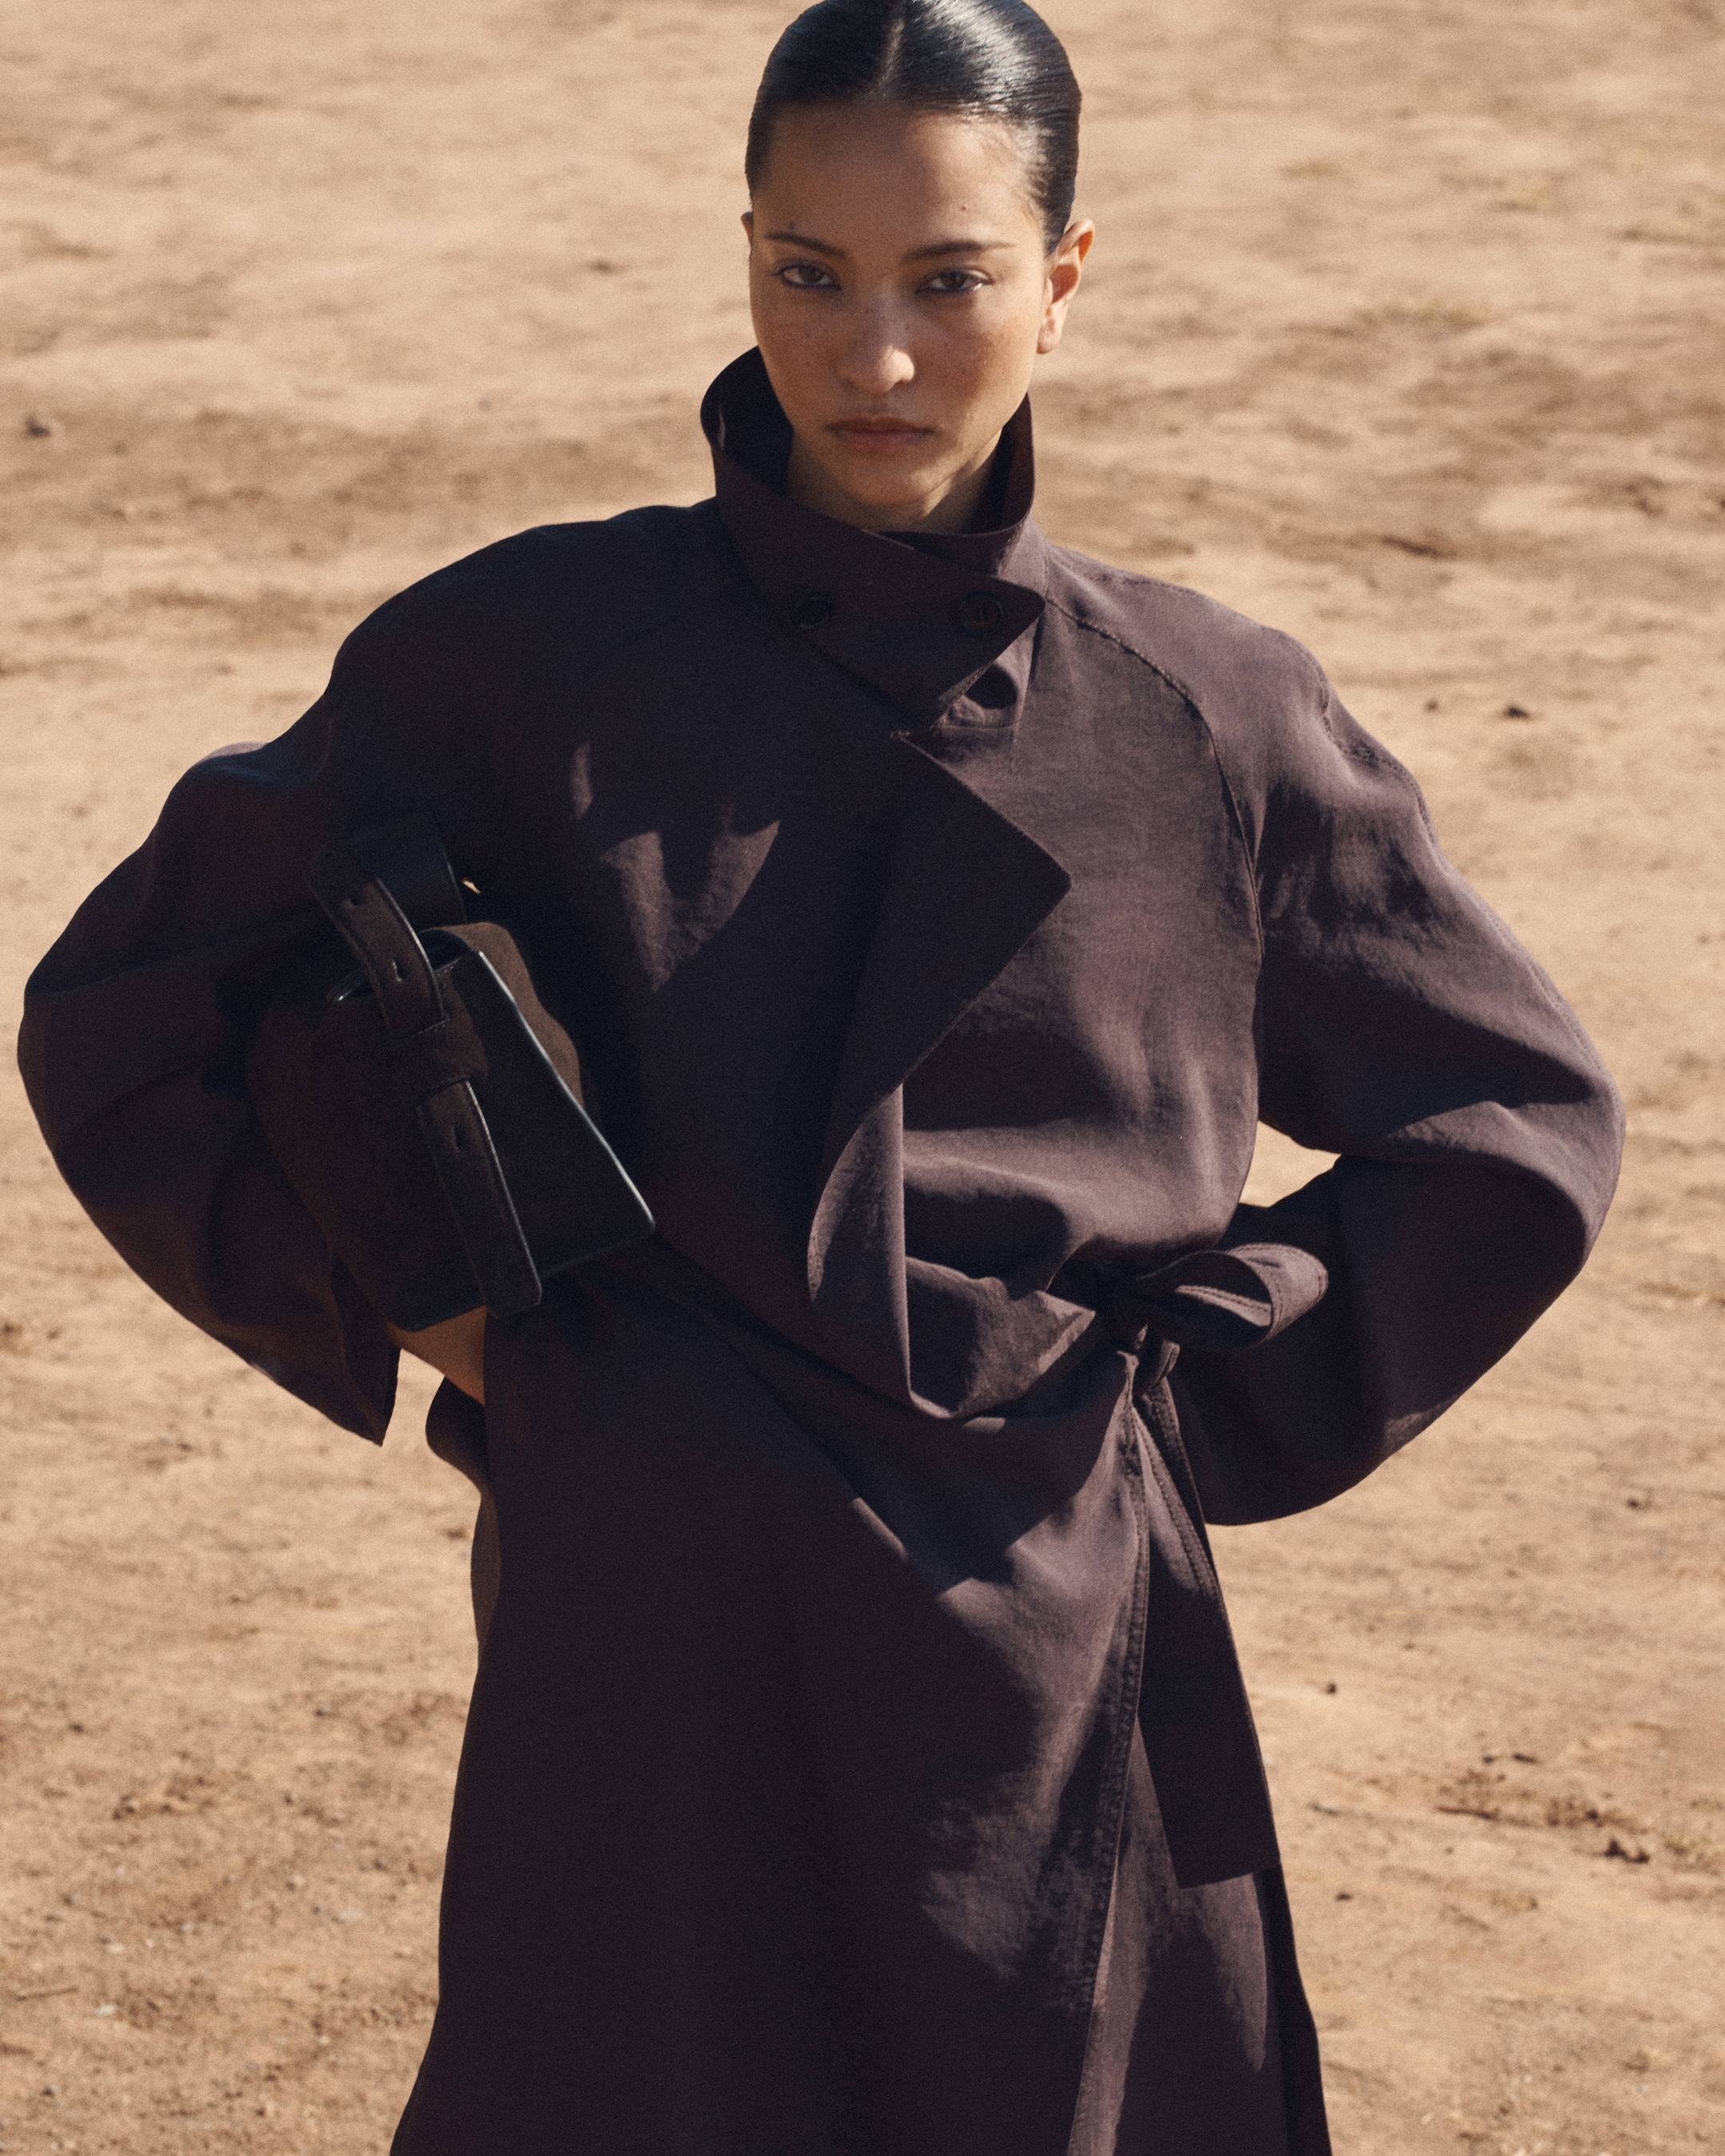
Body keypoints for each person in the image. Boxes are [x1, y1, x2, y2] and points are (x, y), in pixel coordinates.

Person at [18, 1, 1624, 2150]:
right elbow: (133, 1005)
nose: (875, 356)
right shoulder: (529, 656)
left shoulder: (1205, 715)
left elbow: (1513, 1123)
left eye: (951, 280)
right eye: (812, 273)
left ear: (1064, 278)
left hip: (1049, 1654)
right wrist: (464, 1328)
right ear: (747, 254)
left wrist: (1177, 1404)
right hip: (647, 1622)